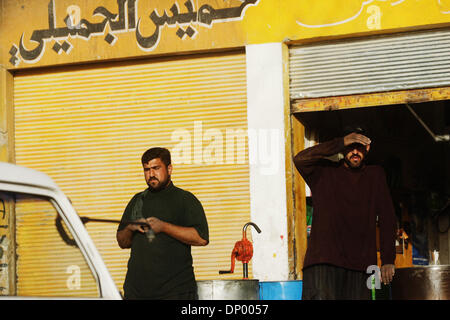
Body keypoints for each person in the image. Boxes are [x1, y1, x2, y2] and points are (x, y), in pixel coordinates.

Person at [293, 126, 397, 300]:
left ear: (367, 149)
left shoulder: (375, 175)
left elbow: (388, 217)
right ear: (343, 149)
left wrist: (388, 260)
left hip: (363, 266)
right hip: (323, 262)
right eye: (350, 146)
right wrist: (340, 142)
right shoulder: (324, 172)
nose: (355, 152)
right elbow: (300, 159)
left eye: (360, 147)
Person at [116, 147, 209, 300]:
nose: (151, 174)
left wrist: (164, 227)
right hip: (136, 293)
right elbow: (122, 242)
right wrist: (130, 227)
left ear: (170, 168)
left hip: (176, 292)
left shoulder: (184, 199)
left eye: (156, 168)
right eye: (146, 170)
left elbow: (201, 238)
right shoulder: (137, 200)